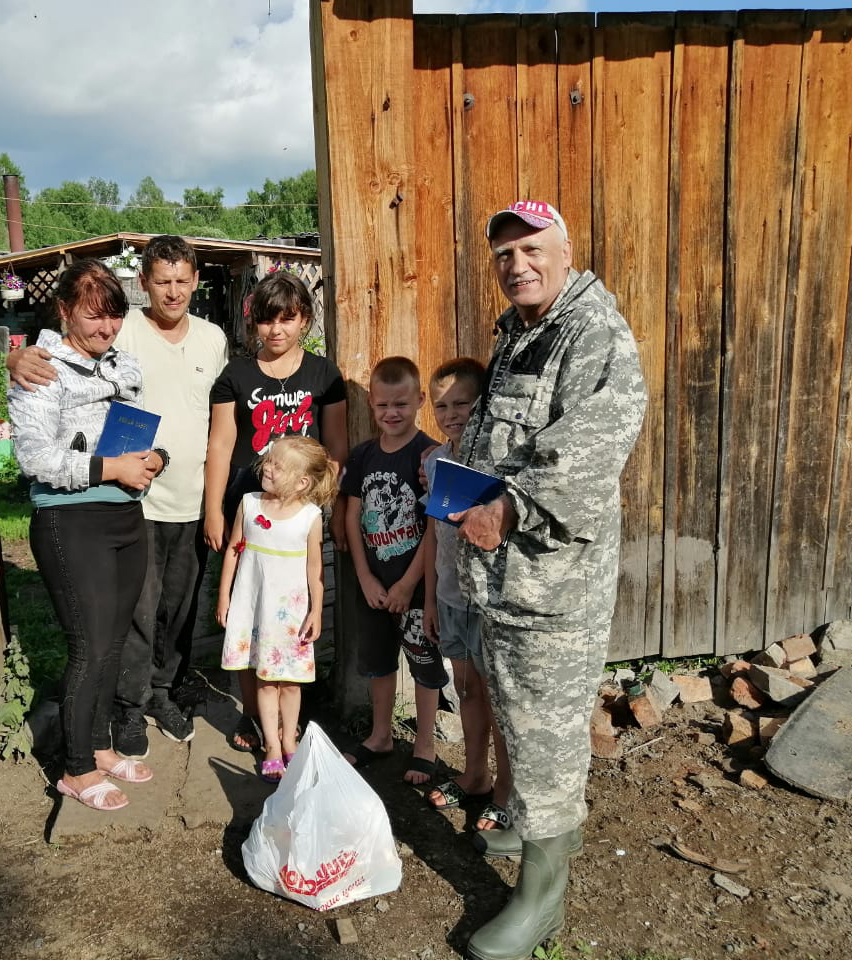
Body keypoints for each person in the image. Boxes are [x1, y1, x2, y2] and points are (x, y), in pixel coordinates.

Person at [453, 200, 646, 960]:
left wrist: (511, 504)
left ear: (565, 253)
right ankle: (531, 833)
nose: (517, 265)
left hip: (553, 582)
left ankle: (542, 901)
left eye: (532, 249)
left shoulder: (593, 330)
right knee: (520, 713)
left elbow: (593, 447)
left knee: (550, 730)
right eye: (504, 254)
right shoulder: (522, 333)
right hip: (505, 578)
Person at [9, 237, 229, 758]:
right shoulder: (121, 329)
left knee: (175, 610)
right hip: (124, 504)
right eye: (161, 281)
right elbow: (55, 359)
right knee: (129, 617)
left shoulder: (212, 338)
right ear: (144, 285)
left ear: (195, 280)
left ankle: (161, 693)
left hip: (185, 495)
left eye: (181, 280)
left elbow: (216, 418)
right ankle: (126, 712)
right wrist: (16, 359)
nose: (172, 291)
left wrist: (191, 483)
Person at [7, 259, 163, 812]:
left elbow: (141, 428)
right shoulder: (41, 368)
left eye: (115, 318)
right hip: (72, 520)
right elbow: (34, 457)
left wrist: (151, 459)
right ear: (66, 310)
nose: (107, 330)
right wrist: (109, 469)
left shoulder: (122, 363)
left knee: (113, 645)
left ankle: (97, 747)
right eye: (95, 318)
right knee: (89, 646)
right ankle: (73, 770)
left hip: (125, 516)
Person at [204, 271, 348, 753]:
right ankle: (253, 715)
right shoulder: (235, 376)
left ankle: (292, 716)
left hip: (299, 517)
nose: (277, 330)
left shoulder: (324, 375)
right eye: (267, 320)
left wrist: (326, 509)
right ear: (255, 324)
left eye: (288, 318)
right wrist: (213, 513)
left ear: (305, 318)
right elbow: (221, 447)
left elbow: (336, 450)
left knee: (293, 617)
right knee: (247, 613)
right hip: (249, 510)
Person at [340, 356, 448, 785]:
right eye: (383, 404)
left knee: (424, 664)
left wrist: (408, 585)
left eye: (401, 404)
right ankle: (380, 735)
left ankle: (425, 746)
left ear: (420, 400)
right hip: (373, 586)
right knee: (379, 664)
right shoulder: (363, 455)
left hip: (416, 588)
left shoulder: (429, 457)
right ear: (371, 402)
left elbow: (434, 528)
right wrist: (365, 577)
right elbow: (352, 516)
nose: (392, 413)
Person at [420, 358, 512, 829]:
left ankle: (505, 792)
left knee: (499, 699)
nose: (452, 413)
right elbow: (436, 534)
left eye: (463, 403)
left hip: (491, 603)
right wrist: (431, 599)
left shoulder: (498, 465)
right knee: (468, 688)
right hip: (452, 598)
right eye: (442, 405)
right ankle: (474, 776)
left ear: (483, 405)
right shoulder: (435, 461)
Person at [216, 436, 338, 782]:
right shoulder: (249, 503)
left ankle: (289, 742)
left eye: (277, 465)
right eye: (268, 461)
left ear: (302, 481)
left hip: (291, 617)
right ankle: (271, 745)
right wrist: (224, 596)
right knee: (265, 681)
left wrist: (315, 612)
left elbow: (315, 571)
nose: (267, 468)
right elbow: (234, 551)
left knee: (291, 683)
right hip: (254, 608)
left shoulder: (311, 517)